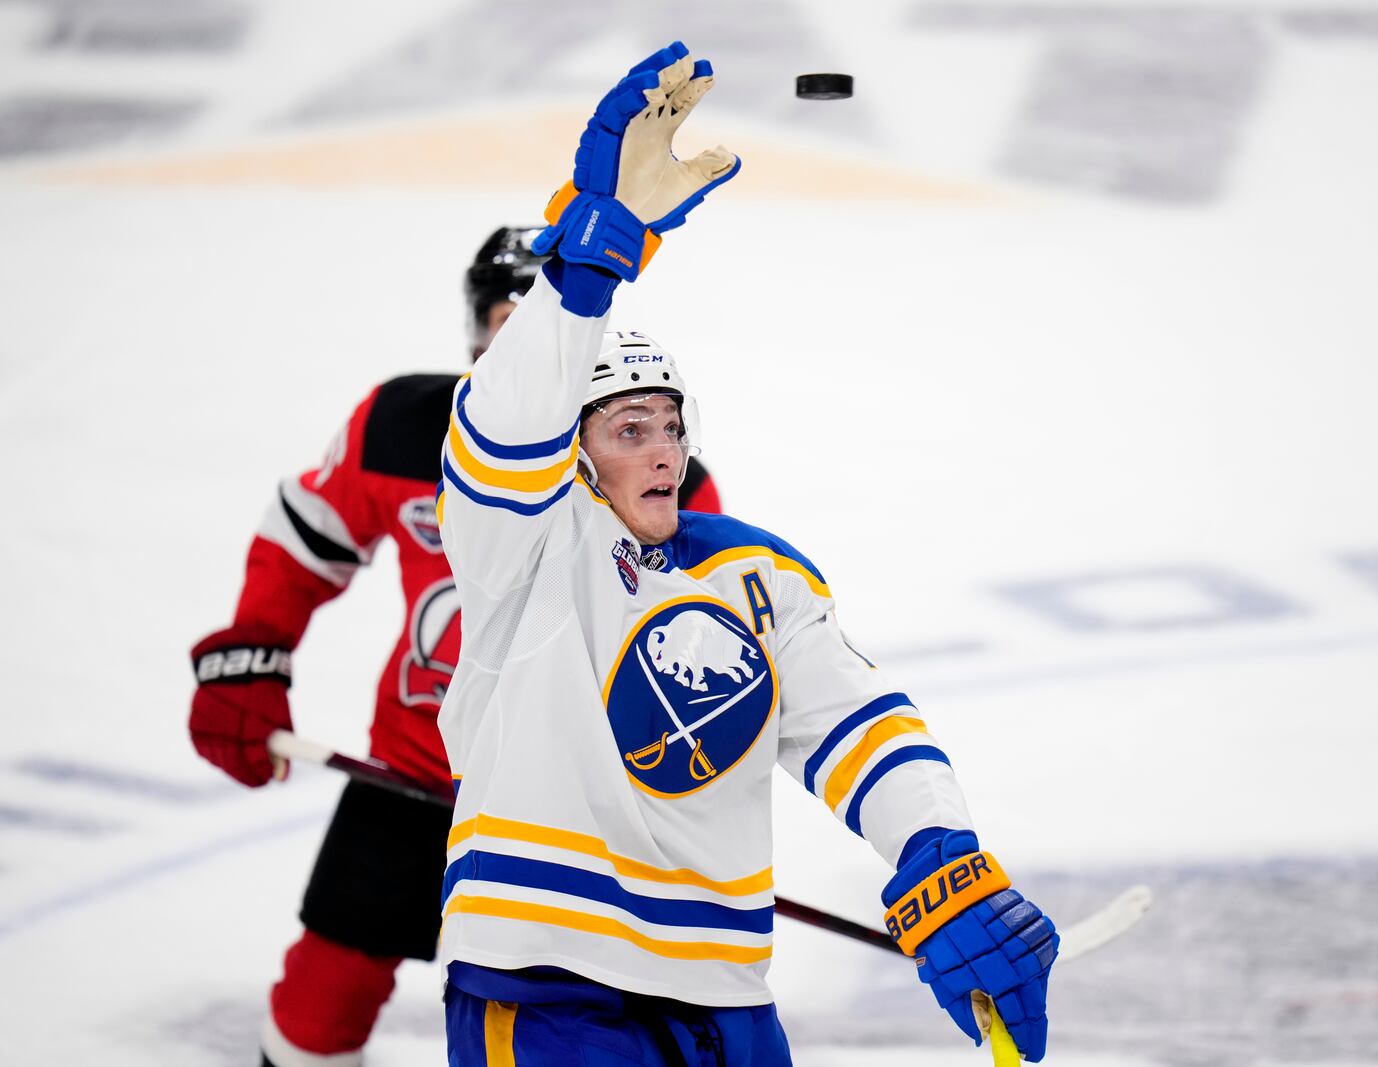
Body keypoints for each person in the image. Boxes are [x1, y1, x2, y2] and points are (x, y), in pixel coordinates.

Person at [435, 42, 1060, 1066]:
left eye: (669, 425)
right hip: (546, 980)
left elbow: (856, 720)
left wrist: (943, 857)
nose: (662, 450)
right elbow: (505, 427)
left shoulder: (755, 575)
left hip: (722, 997)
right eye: (626, 427)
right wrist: (587, 265)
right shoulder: (525, 549)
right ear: (578, 453)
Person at [186, 227, 724, 1067]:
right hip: (415, 775)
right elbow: (306, 536)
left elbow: (694, 636)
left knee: (572, 1031)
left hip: (565, 811)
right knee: (317, 1009)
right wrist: (252, 652)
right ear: (481, 333)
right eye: (519, 329)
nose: (536, 357)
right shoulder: (403, 428)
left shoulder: (644, 463)